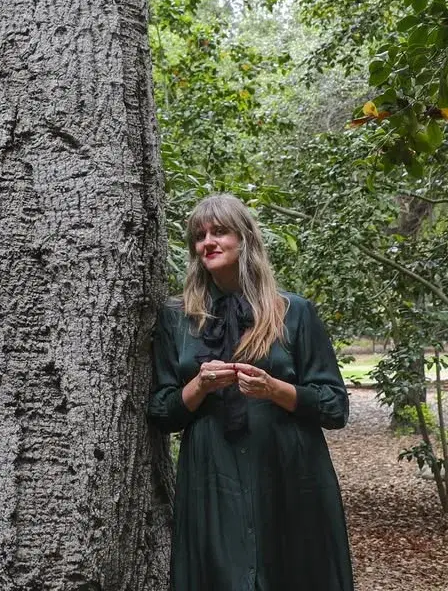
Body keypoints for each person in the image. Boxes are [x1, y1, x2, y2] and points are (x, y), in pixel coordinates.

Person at [149, 193, 354, 591]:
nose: (208, 242)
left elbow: (334, 407)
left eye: (220, 232)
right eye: (199, 235)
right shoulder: (177, 318)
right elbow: (161, 412)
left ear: (245, 240)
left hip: (288, 474)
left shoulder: (292, 312)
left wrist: (274, 388)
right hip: (212, 478)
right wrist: (201, 385)